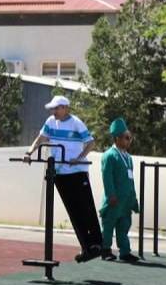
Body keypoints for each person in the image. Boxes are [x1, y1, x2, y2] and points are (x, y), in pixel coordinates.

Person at [24, 95, 103, 263]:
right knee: (73, 211)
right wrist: (29, 152)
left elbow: (90, 143)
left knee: (86, 208)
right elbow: (40, 139)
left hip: (77, 172)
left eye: (56, 108)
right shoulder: (50, 122)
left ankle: (97, 244)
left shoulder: (76, 122)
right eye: (52, 108)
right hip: (59, 172)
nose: (53, 111)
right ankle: (86, 247)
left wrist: (79, 158)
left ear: (65, 108)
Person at [99, 118, 141, 263]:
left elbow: (131, 180)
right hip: (114, 199)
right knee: (109, 225)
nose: (129, 140)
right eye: (126, 138)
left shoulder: (128, 157)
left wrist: (134, 199)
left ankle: (125, 252)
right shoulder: (109, 155)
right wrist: (111, 195)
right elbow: (107, 177)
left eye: (130, 137)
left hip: (126, 200)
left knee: (124, 226)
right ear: (117, 138)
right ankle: (105, 250)